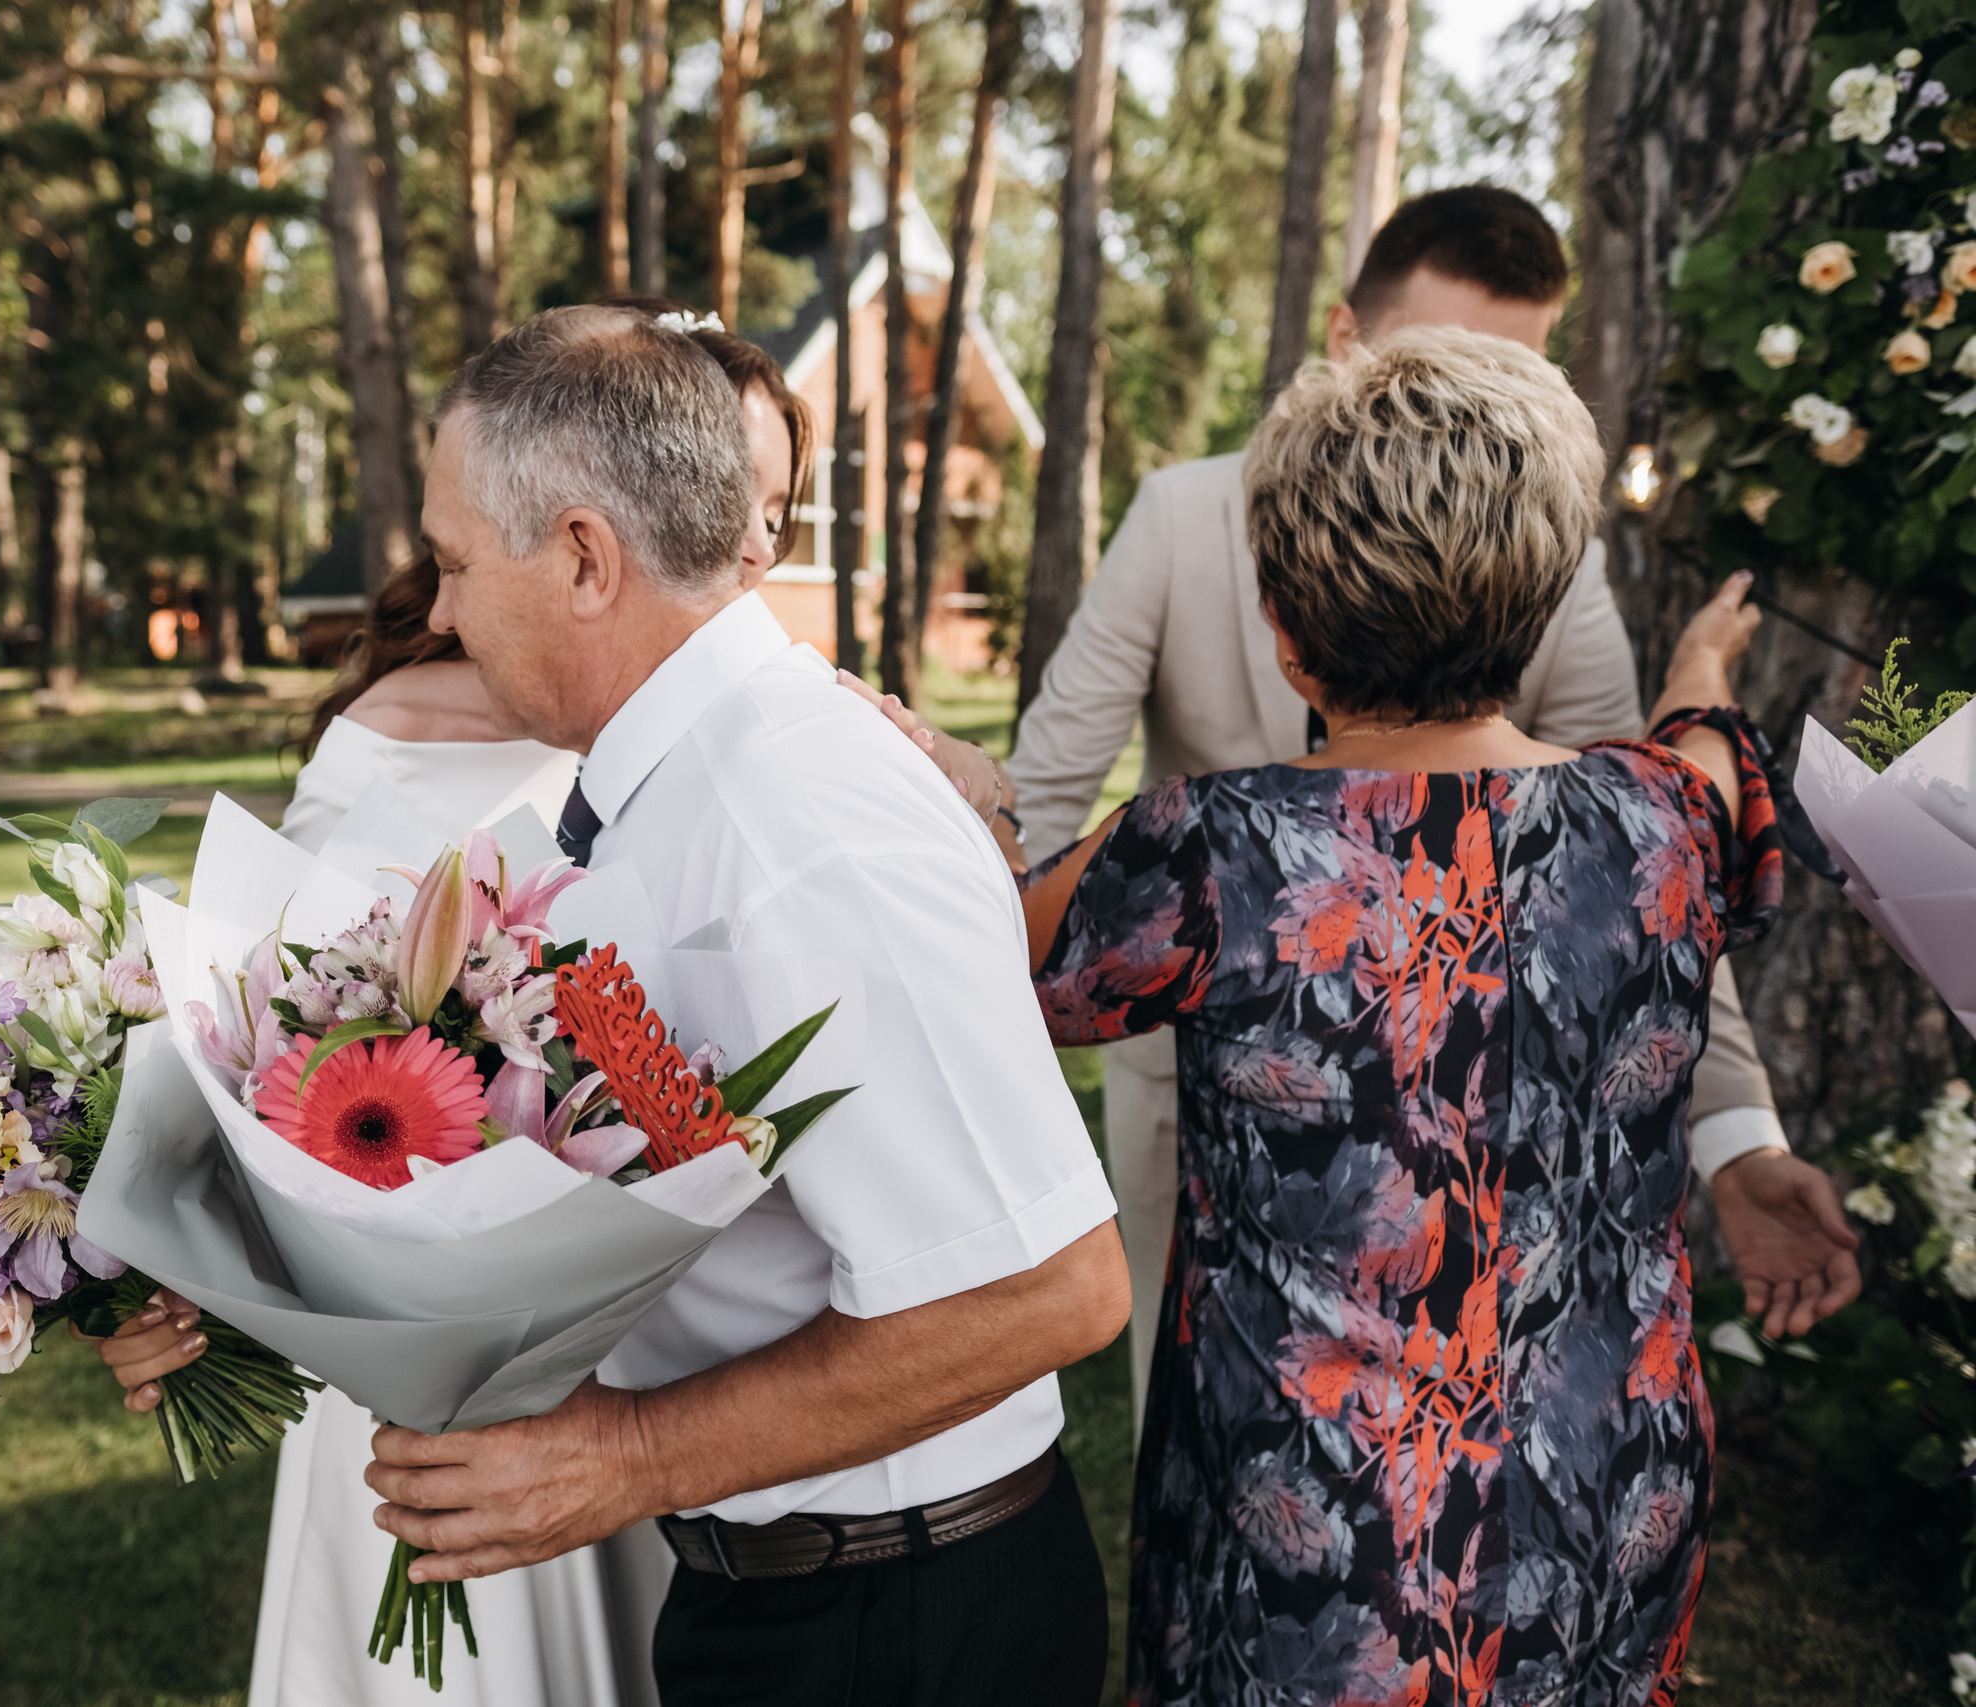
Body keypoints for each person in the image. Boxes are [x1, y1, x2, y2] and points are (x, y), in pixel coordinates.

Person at [902, 185, 1849, 1425]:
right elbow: (1670, 819)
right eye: (1445, 366)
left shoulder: (1555, 551)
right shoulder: (1185, 518)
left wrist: (1736, 1139)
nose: (1484, 432)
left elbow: (1651, 871)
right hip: (1196, 1077)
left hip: (1507, 1108)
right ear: (1347, 340)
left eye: (1515, 381)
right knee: (1191, 1390)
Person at [1015, 327, 1852, 1701]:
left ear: (1285, 629)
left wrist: (956, 792)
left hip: (1331, 1559)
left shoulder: (1214, 850)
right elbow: (1708, 740)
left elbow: (996, 962)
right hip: (1611, 1500)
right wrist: (1703, 659)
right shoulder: (1663, 818)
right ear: (1537, 608)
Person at [356, 304, 1130, 1706]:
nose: (446, 608)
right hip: (794, 1600)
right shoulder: (677, 789)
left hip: (896, 1626)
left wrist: (630, 1458)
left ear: (586, 556)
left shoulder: (794, 824)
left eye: (459, 562)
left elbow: (1046, 1285)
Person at [94, 309, 820, 1707]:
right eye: (730, 498)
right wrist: (161, 1278)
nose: (747, 546)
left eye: (774, 514)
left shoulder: (763, 750)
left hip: (607, 1353)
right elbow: (261, 1041)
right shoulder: (382, 733)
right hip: (384, 1319)